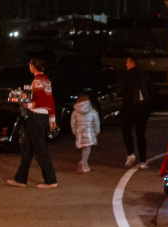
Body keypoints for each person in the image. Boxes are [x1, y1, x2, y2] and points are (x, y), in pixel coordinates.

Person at [7, 58, 58, 189]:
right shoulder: (46, 80)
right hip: (43, 116)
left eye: (30, 65)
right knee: (28, 149)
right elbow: (50, 100)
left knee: (40, 149)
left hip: (36, 116)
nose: (29, 67)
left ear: (33, 67)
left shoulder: (37, 81)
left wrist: (26, 103)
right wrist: (52, 118)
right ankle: (20, 179)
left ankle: (50, 180)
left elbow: (38, 100)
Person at [119, 56, 151, 169]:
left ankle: (130, 153)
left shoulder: (125, 76)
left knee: (127, 131)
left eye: (127, 62)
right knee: (140, 134)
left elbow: (120, 91)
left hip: (129, 107)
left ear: (132, 63)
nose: (125, 64)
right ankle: (143, 161)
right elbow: (151, 90)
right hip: (142, 107)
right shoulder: (144, 75)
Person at [70, 93, 100, 173]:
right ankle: (83, 163)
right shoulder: (92, 111)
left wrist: (75, 131)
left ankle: (85, 165)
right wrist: (96, 131)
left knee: (84, 148)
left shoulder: (75, 112)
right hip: (89, 132)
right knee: (87, 148)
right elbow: (96, 123)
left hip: (80, 132)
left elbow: (73, 123)